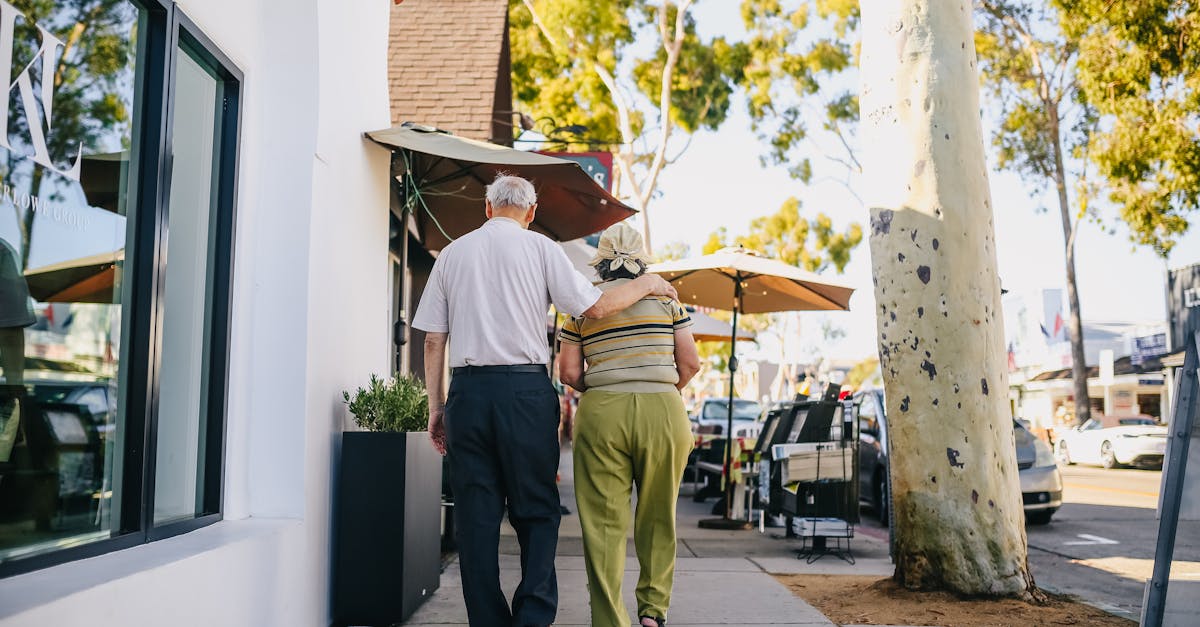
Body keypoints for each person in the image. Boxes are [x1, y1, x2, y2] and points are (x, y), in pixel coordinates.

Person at [413, 175, 678, 627]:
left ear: (487, 207)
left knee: (476, 520)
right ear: (532, 212)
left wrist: (437, 408)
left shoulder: (452, 254)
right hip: (524, 393)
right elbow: (593, 308)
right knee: (536, 510)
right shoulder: (542, 249)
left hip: (468, 394)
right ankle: (532, 617)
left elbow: (434, 341)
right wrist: (648, 283)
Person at [557, 223, 701, 627]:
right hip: (664, 412)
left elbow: (568, 371)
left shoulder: (583, 305)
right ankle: (653, 611)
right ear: (641, 263)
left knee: (603, 523)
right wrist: (658, 385)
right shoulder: (668, 302)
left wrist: (605, 385)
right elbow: (689, 363)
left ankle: (609, 619)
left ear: (600, 262)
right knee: (658, 515)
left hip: (603, 414)